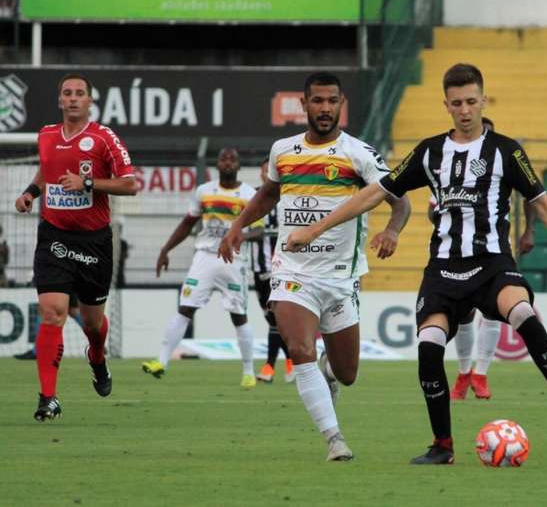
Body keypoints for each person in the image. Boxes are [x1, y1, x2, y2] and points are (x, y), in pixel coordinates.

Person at [284, 63, 547, 465]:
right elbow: (373, 194)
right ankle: (442, 446)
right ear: (446, 105)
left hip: (492, 263)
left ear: (483, 100)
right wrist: (314, 229)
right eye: (457, 103)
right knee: (428, 349)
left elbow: (544, 207)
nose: (465, 110)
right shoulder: (429, 152)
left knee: (525, 314)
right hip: (443, 270)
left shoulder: (507, 151)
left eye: (472, 102)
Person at [219, 71, 411, 461]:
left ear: (342, 105)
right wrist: (238, 225)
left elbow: (399, 199)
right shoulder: (283, 150)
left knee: (348, 373)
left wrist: (392, 229)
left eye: (332, 101)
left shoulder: (359, 153)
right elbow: (269, 194)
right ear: (303, 104)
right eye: (318, 101)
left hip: (340, 279)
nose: (325, 109)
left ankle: (330, 373)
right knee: (300, 348)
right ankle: (334, 438)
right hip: (292, 272)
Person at [14, 73, 138, 422]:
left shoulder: (103, 138)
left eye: (79, 93)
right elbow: (46, 171)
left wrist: (87, 182)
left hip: (93, 243)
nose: (72, 99)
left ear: (89, 101)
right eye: (66, 93)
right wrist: (31, 193)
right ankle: (48, 398)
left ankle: (97, 358)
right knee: (52, 311)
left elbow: (130, 185)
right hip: (53, 236)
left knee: (93, 325)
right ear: (59, 100)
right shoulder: (46, 135)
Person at [428, 117, 537, 401]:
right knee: (463, 315)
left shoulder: (503, 160)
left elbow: (532, 196)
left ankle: (481, 374)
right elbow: (433, 208)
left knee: (492, 313)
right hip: (458, 255)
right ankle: (464, 373)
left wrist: (529, 230)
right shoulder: (449, 167)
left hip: (493, 250)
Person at [142, 148, 258, 389]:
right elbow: (187, 223)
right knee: (185, 309)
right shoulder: (204, 192)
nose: (227, 162)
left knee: (238, 315)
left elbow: (258, 229)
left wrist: (241, 236)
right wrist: (166, 249)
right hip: (205, 257)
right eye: (223, 158)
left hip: (233, 260)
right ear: (217, 164)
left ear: (239, 165)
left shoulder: (249, 195)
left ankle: (248, 372)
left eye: (232, 159)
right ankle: (161, 361)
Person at [250, 158, 295, 384]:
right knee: (273, 320)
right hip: (258, 268)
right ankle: (290, 362)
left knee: (276, 318)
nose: (267, 172)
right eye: (263, 170)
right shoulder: (254, 197)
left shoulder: (289, 196)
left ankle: (269, 367)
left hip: (281, 268)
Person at [14, 294, 83, 360]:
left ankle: (37, 351)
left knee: (45, 309)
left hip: (58, 283)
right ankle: (93, 338)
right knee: (73, 310)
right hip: (67, 284)